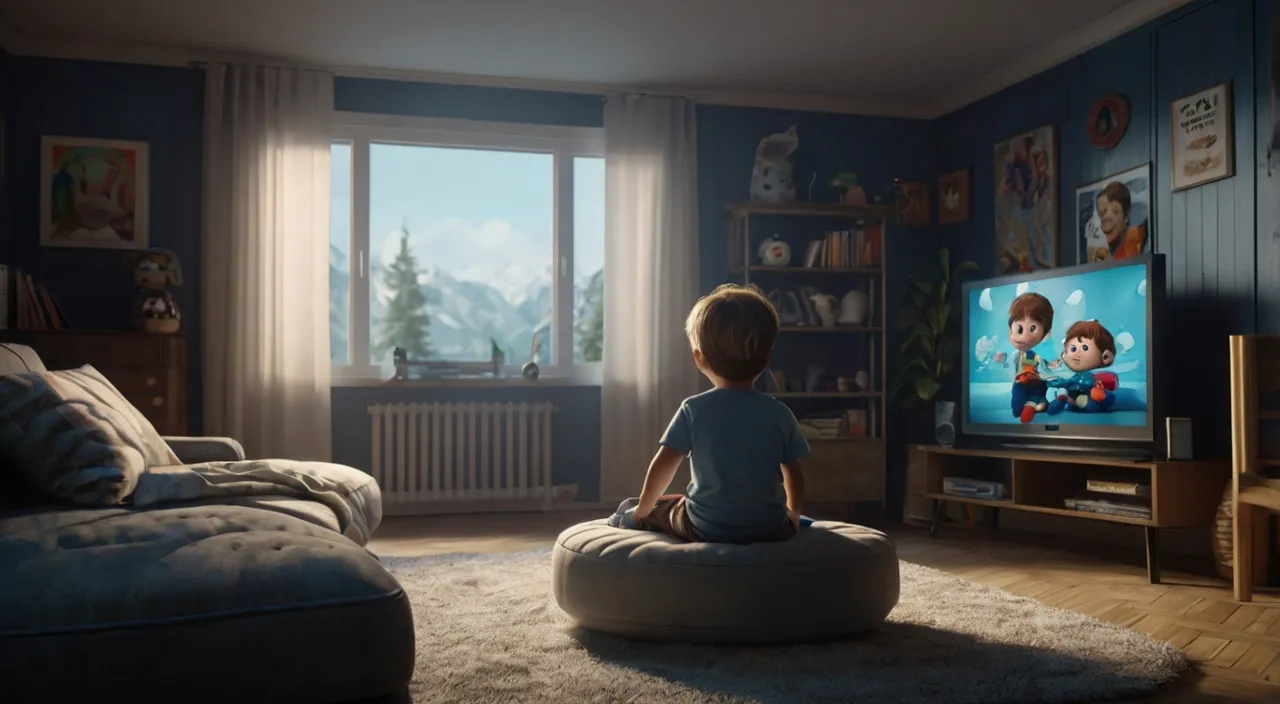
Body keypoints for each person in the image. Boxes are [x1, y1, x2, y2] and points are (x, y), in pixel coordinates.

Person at [621, 283, 809, 544]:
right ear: (767, 358)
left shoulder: (693, 410)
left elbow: (664, 465)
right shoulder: (780, 414)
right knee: (778, 513)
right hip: (769, 528)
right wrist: (794, 515)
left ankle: (629, 515)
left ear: (699, 358)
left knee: (663, 509)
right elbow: (794, 475)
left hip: (706, 527)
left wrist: (643, 510)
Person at [1046, 320, 1118, 414]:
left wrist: (1101, 394)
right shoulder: (1066, 372)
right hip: (1072, 394)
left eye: (1085, 348)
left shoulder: (1100, 375)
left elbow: (1109, 389)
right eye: (1073, 349)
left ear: (1105, 356)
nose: (1076, 353)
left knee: (1098, 399)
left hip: (1092, 396)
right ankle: (1067, 400)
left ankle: (1073, 401)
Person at [1006, 292, 1058, 423]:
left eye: (1033, 328)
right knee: (1016, 409)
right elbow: (1009, 366)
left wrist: (1052, 366)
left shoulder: (1042, 354)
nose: (1023, 337)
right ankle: (1033, 405)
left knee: (1040, 398)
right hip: (1020, 384)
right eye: (1019, 329)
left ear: (1046, 333)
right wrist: (1000, 360)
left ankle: (1034, 403)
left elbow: (1050, 369)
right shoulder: (1016, 355)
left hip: (1037, 383)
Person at [1093, 182, 1147, 260]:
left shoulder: (1136, 237)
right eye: (1102, 212)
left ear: (1125, 216)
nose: (1107, 217)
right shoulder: (1099, 250)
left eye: (1115, 211)